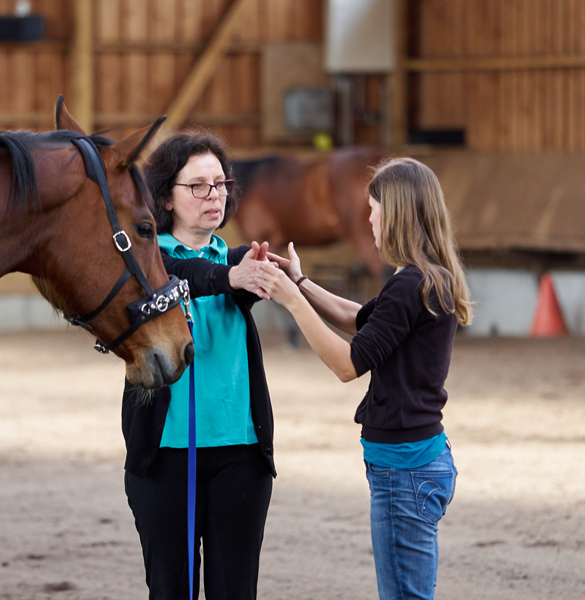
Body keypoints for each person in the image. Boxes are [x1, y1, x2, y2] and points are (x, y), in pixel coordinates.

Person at [256, 157, 472, 600]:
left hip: (404, 470)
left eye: (373, 208)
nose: (368, 218)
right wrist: (300, 282)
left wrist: (292, 302)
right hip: (417, 460)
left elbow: (348, 364)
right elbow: (364, 321)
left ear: (394, 214)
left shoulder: (410, 284)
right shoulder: (424, 280)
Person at [122, 129, 275, 600]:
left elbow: (225, 269)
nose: (215, 195)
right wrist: (231, 275)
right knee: (171, 590)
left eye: (221, 183)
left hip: (242, 453)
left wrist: (272, 272)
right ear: (165, 197)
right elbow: (182, 274)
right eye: (198, 186)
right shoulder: (145, 262)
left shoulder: (234, 258)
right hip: (165, 455)